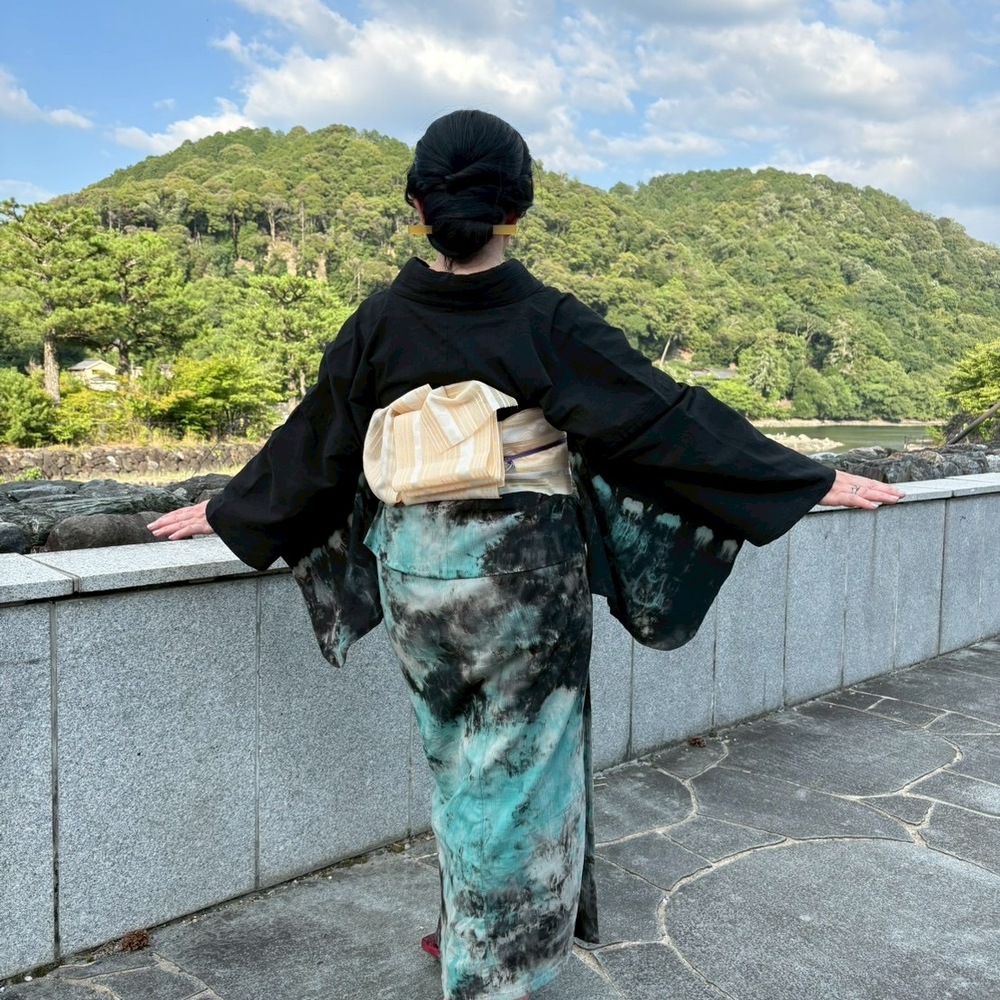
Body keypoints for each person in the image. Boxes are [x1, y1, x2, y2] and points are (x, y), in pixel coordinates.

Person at [149, 109, 904, 1000]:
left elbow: (316, 443)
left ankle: (464, 928)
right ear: (519, 207)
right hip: (522, 573)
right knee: (520, 772)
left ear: (417, 206)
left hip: (417, 567)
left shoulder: (379, 321)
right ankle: (492, 976)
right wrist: (800, 478)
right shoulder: (547, 320)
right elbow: (662, 421)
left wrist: (229, 509)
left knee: (458, 762)